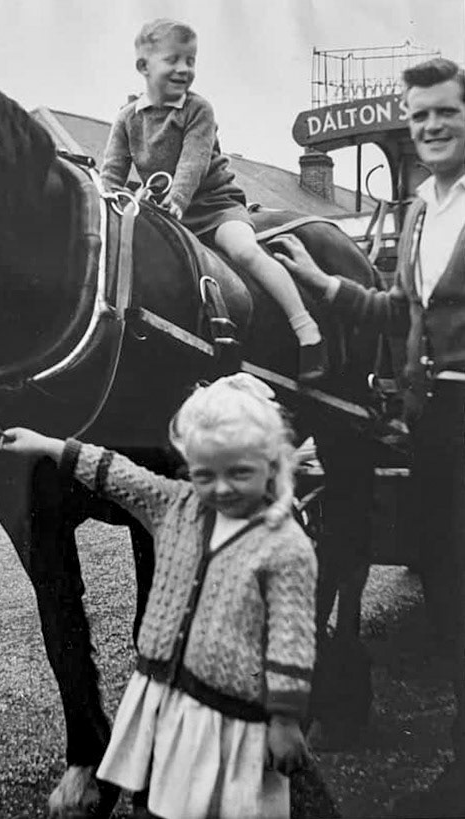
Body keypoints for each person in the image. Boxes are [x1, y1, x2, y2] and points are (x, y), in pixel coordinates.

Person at [272, 57, 465, 819]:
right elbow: (398, 311)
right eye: (420, 117)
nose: (431, 127)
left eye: (445, 112)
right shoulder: (420, 210)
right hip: (433, 423)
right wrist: (323, 289)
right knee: (448, 585)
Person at [0, 373, 317, 819]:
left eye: (240, 472)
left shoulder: (283, 544)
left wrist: (284, 718)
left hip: (235, 711)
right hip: (171, 699)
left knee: (234, 800)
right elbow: (114, 473)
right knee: (163, 801)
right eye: (205, 474)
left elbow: (292, 635)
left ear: (273, 465)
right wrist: (49, 446)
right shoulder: (178, 505)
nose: (222, 489)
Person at [100, 18, 327, 385]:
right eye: (173, 60)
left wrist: (177, 199)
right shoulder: (127, 118)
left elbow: (193, 161)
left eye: (190, 61)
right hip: (163, 215)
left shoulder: (197, 110)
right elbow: (111, 172)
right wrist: (107, 205)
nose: (184, 69)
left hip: (213, 205)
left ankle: (307, 330)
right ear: (144, 67)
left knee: (245, 251)